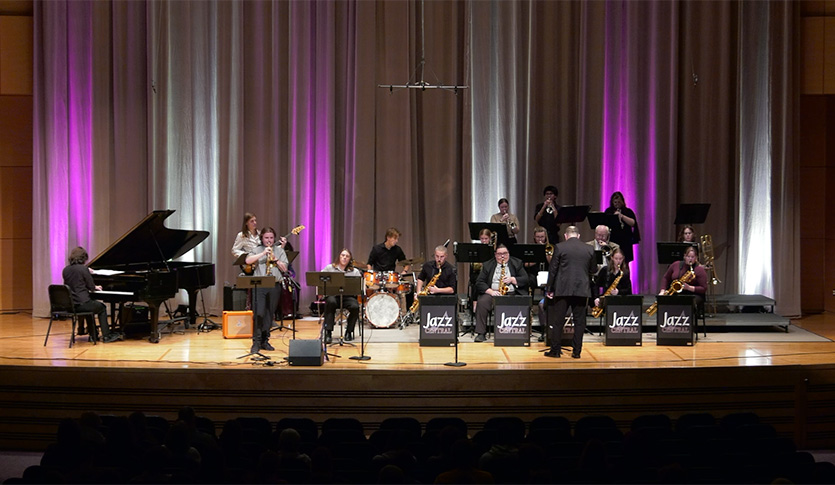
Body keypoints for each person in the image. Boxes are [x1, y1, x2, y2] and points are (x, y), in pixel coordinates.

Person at [544, 226, 596, 358]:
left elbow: (553, 269)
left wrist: (550, 288)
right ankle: (576, 352)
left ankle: (555, 351)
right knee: (579, 322)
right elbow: (593, 269)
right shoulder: (589, 249)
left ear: (566, 236)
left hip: (563, 289)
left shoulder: (560, 247)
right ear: (578, 236)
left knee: (558, 321)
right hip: (581, 289)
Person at [62, 247, 122, 343]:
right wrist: (96, 286)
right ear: (83, 258)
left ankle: (93, 335)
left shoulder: (66, 270)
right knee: (101, 307)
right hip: (82, 303)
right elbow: (91, 286)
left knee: (91, 305)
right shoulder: (83, 269)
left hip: (71, 305)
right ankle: (106, 336)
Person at [245, 227, 288, 353]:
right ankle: (256, 342)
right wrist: (264, 253)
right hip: (260, 285)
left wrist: (275, 258)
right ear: (262, 238)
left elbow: (285, 269)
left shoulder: (279, 251)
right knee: (259, 313)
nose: (269, 240)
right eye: (266, 238)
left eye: (271, 238)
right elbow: (248, 260)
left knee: (269, 314)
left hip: (275, 285)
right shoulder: (257, 249)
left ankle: (265, 340)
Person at [473, 244, 529, 342]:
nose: (502, 256)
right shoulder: (488, 265)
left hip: (511, 293)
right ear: (495, 255)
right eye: (499, 254)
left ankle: (518, 332)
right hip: (493, 294)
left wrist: (512, 279)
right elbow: (479, 282)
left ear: (508, 254)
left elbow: (526, 279)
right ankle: (481, 333)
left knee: (522, 301)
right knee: (482, 302)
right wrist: (491, 291)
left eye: (505, 253)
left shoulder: (517, 263)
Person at [320, 249, 362, 343]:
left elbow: (358, 286)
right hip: (333, 296)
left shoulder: (355, 271)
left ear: (350, 259)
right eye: (342, 255)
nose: (344, 258)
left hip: (348, 297)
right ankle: (328, 332)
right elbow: (320, 279)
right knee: (330, 302)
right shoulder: (330, 268)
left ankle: (349, 332)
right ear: (339, 257)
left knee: (355, 306)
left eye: (347, 256)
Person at [367, 227, 411, 313]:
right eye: (395, 238)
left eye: (397, 239)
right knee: (367, 290)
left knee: (401, 293)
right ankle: (368, 313)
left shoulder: (397, 250)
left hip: (391, 279)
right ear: (388, 237)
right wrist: (370, 274)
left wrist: (404, 272)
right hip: (378, 278)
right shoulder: (377, 249)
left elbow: (406, 263)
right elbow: (369, 263)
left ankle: (403, 315)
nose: (396, 241)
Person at [603, 191, 639, 263]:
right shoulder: (609, 211)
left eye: (619, 202)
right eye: (615, 202)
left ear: (622, 201)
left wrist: (622, 216)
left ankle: (625, 274)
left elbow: (633, 223)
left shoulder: (628, 211)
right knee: (612, 261)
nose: (617, 204)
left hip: (625, 241)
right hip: (613, 240)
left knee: (625, 262)